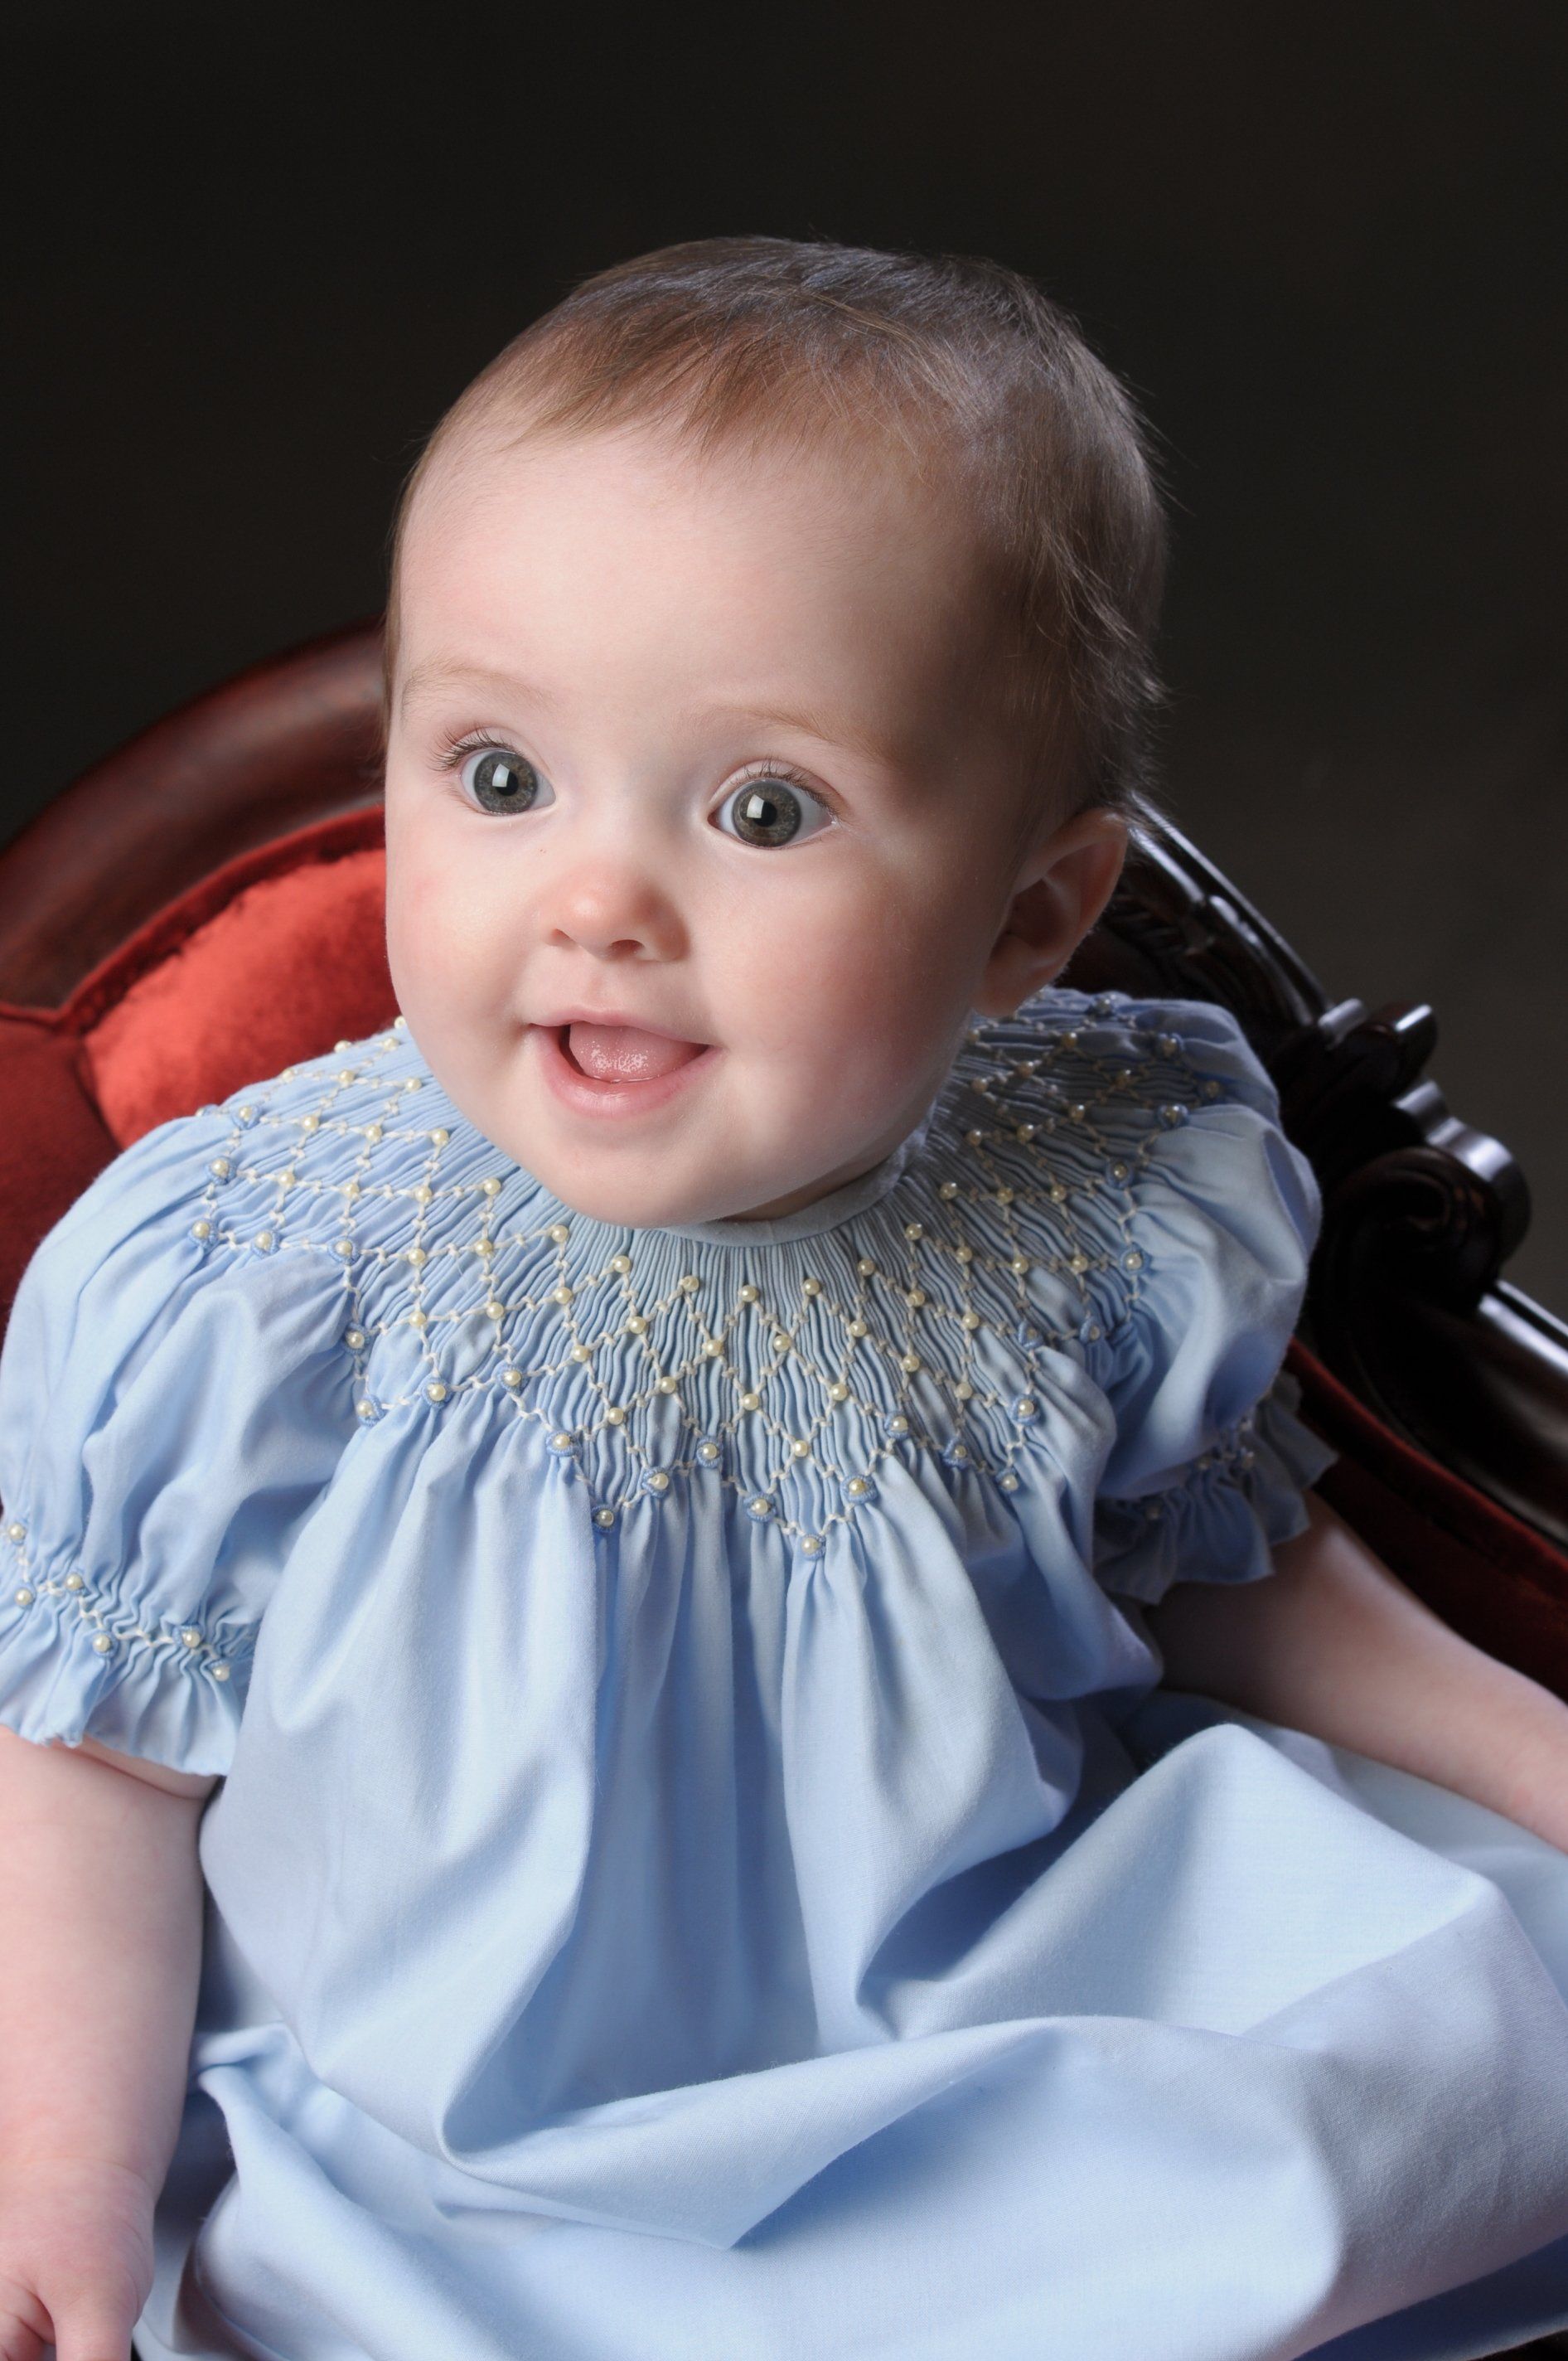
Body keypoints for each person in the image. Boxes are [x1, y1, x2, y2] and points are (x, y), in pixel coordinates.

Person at [1, 237, 1566, 2361]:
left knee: (1429, 2043)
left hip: (1006, 2023)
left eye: (762, 808)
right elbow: (90, 1764)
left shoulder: (1095, 1198)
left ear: (1028, 914)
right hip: (449, 2144)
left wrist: (1536, 1755)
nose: (598, 900)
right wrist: (64, 2187)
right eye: (495, 773)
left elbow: (1235, 1578)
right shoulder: (250, 1283)